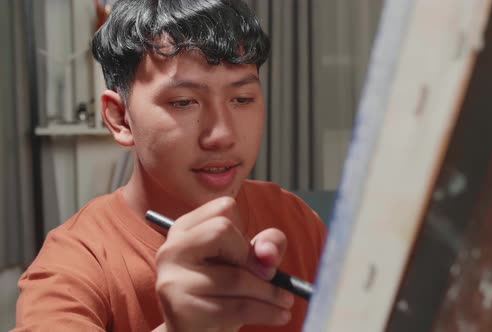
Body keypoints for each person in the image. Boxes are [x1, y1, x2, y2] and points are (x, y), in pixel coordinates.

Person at [13, 0, 326, 331]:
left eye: (242, 99)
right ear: (120, 118)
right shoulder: (75, 264)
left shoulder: (295, 220)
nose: (221, 135)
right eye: (183, 102)